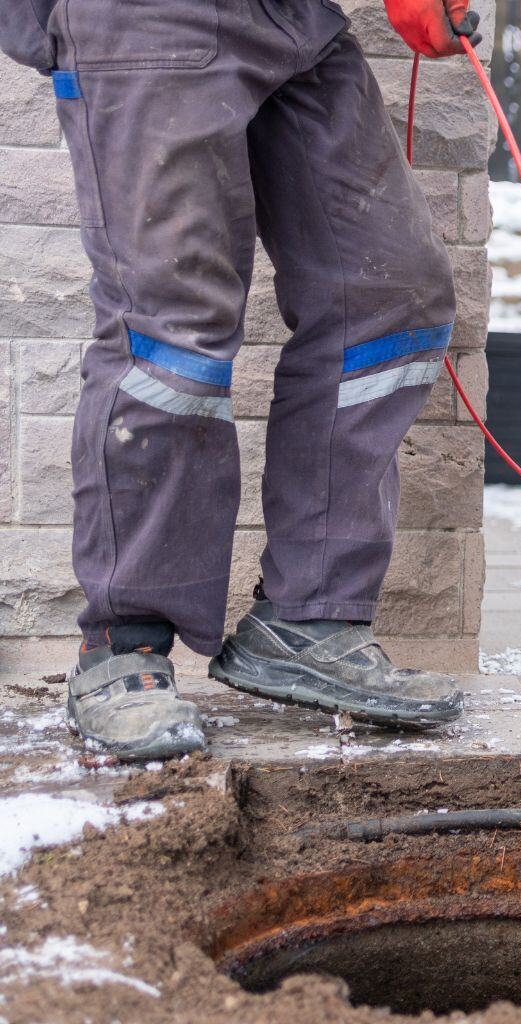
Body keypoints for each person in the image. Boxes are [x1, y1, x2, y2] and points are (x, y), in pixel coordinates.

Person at [0, 0, 481, 762]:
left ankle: (308, 617)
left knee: (390, 296)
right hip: (146, 19)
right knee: (173, 327)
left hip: (291, 18)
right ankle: (124, 648)